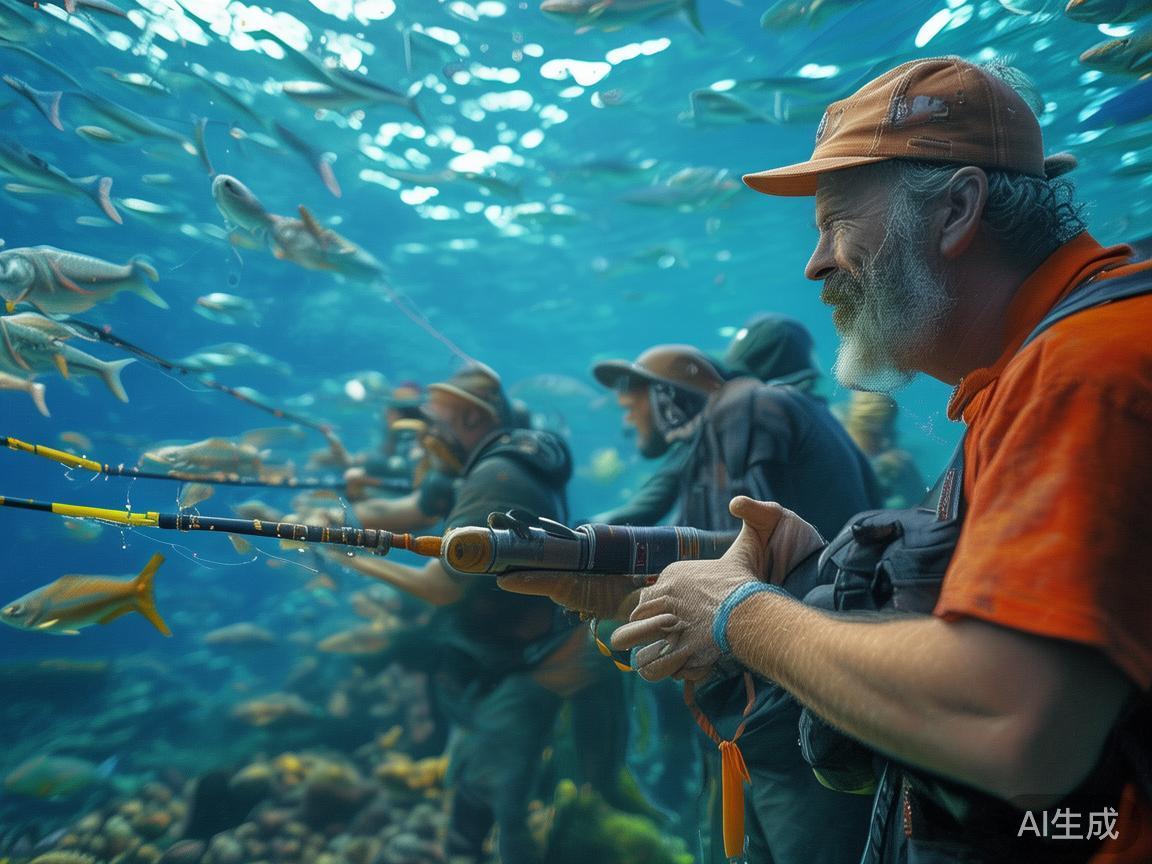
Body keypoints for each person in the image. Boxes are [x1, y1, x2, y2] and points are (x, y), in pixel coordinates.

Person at [590, 57, 1152, 863]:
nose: (815, 263)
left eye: (836, 222)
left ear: (957, 208)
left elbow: (1019, 728)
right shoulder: (1029, 373)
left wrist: (739, 614)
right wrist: (817, 579)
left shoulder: (1086, 372)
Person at [571, 343, 881, 863]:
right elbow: (653, 518)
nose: (625, 409)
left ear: (672, 393)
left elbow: (739, 548)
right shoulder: (732, 421)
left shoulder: (743, 407)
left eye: (635, 392)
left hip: (788, 709)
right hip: (795, 697)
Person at [328, 363, 628, 864]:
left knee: (502, 801)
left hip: (530, 664)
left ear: (471, 418)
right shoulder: (490, 462)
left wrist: (346, 553)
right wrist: (343, 510)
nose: (428, 436)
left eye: (437, 423)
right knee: (474, 783)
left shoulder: (495, 478)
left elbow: (442, 588)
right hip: (506, 659)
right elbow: (416, 510)